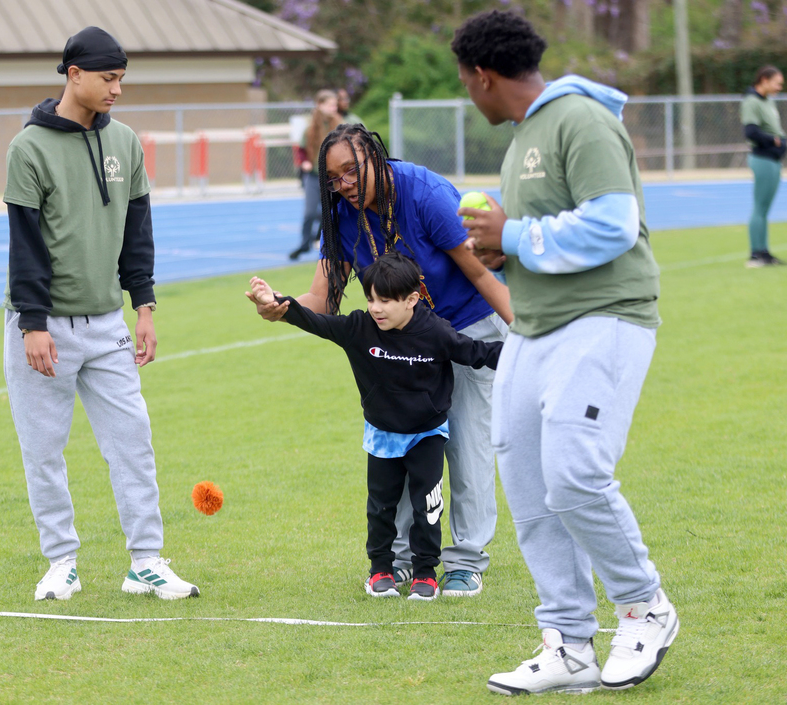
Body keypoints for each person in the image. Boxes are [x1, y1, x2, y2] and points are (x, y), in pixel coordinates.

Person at [452, 10, 678, 695]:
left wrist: (512, 235)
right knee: (526, 480)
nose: (469, 93)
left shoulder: (579, 119)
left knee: (576, 471)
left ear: (482, 76)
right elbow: (543, 239)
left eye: (466, 83)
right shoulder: (527, 133)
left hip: (605, 318)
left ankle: (645, 606)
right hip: (534, 327)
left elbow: (614, 223)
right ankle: (569, 642)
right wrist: (503, 248)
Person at [248, 123, 512, 599]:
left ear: (376, 158)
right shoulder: (342, 215)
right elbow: (322, 299)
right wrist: (280, 305)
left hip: (466, 325)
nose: (343, 184)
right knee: (404, 442)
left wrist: (529, 334)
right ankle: (406, 560)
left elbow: (479, 271)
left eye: (351, 171)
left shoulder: (425, 194)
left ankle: (465, 561)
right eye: (333, 177)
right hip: (402, 338)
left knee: (467, 446)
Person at [3, 26, 198, 602]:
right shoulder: (28, 149)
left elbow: (138, 233)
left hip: (107, 323)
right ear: (74, 75)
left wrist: (145, 307)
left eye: (121, 79)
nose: (117, 89)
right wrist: (33, 324)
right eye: (109, 79)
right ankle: (61, 561)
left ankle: (146, 561)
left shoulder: (127, 144)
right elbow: (26, 245)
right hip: (43, 327)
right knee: (43, 449)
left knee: (133, 440)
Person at [248, 251, 502, 600]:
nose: (376, 308)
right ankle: (380, 570)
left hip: (427, 434)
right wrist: (279, 303)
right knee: (381, 507)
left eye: (385, 300)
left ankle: (425, 574)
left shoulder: (435, 332)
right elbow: (314, 321)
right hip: (382, 434)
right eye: (370, 299)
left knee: (427, 505)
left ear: (412, 299)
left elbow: (476, 353)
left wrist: (524, 351)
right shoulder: (359, 328)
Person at [289, 90, 342, 260]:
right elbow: (301, 150)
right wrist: (304, 161)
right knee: (310, 212)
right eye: (330, 104)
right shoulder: (310, 128)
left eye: (335, 105)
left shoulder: (340, 126)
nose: (334, 108)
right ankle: (305, 243)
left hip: (333, 176)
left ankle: (323, 241)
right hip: (313, 176)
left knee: (331, 211)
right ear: (320, 105)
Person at [741, 65, 785, 267]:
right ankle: (756, 254)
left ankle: (764, 252)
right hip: (763, 160)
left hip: (773, 161)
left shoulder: (767, 101)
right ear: (764, 80)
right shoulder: (752, 101)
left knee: (765, 209)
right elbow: (751, 132)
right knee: (759, 207)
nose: (779, 87)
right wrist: (774, 141)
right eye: (777, 83)